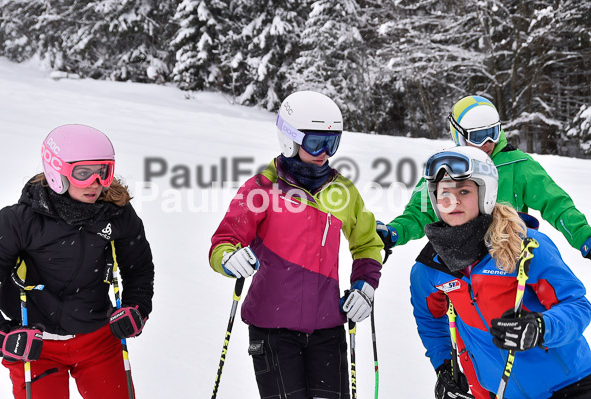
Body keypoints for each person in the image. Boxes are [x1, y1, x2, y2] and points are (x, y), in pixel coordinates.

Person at [209, 90, 383, 399]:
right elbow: (224, 240)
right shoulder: (262, 187)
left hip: (327, 328)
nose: (324, 152)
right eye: (316, 141)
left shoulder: (342, 190)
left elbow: (367, 243)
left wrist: (365, 286)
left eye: (332, 142)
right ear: (289, 138)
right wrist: (228, 258)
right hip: (272, 330)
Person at [410, 146, 591, 399]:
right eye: (444, 193)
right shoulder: (430, 268)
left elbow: (578, 306)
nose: (453, 201)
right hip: (501, 393)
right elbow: (430, 321)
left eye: (464, 191)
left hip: (570, 386)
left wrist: (541, 327)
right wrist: (444, 368)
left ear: (486, 193)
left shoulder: (525, 245)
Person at [0, 125, 154, 399]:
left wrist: (136, 309)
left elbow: (139, 270)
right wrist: (1, 336)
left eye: (103, 172)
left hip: (98, 340)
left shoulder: (116, 214)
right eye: (82, 173)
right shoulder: (18, 221)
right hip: (36, 345)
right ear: (57, 171)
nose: (95, 182)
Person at [377, 95, 591, 261]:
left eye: (493, 133)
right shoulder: (448, 167)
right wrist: (394, 232)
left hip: (507, 258)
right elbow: (419, 212)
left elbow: (557, 204)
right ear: (458, 134)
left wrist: (584, 236)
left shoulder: (517, 165)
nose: (488, 142)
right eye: (478, 136)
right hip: (461, 262)